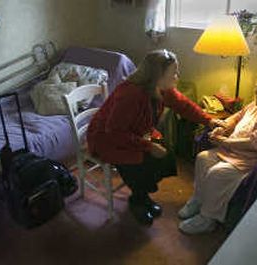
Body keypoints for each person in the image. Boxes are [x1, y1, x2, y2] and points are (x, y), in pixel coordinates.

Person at [87, 49, 217, 225]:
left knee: (166, 154)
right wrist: (149, 146)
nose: (177, 76)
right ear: (158, 75)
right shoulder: (130, 94)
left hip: (136, 133)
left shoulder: (161, 88)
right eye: (173, 72)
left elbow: (183, 105)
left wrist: (208, 120)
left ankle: (142, 194)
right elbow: (115, 132)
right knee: (141, 160)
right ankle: (138, 200)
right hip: (107, 139)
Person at [178, 69, 257, 234]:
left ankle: (208, 218)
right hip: (236, 152)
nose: (256, 91)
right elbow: (239, 115)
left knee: (217, 173)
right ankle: (198, 199)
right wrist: (224, 125)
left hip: (255, 159)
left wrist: (225, 141)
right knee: (203, 158)